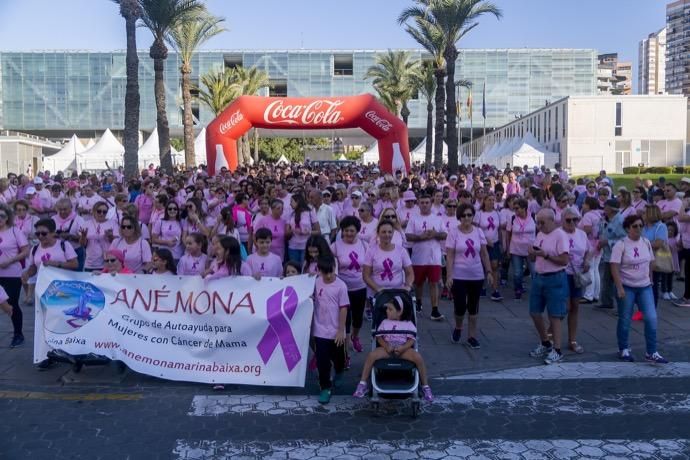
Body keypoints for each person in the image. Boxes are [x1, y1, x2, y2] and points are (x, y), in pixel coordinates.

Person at [352, 295, 433, 402]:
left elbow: (412, 339)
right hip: (387, 348)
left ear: (399, 312)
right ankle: (362, 383)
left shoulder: (408, 324)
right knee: (372, 355)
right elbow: (379, 337)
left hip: (403, 349)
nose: (387, 311)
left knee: (418, 358)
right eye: (387, 309)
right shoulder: (385, 322)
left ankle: (425, 386)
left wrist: (403, 348)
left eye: (390, 309)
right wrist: (386, 346)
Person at [610, 215, 668, 364]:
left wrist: (650, 279)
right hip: (627, 286)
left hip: (644, 287)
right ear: (628, 228)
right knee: (625, 319)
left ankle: (652, 351)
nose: (638, 229)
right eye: (635, 226)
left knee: (651, 318)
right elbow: (614, 267)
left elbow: (650, 262)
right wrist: (619, 287)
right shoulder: (621, 244)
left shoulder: (646, 242)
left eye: (641, 226)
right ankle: (623, 348)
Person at [445, 203, 493, 349]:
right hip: (459, 275)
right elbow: (450, 256)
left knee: (473, 307)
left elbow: (484, 253)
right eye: (464, 215)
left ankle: (472, 336)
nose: (467, 218)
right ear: (459, 217)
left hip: (476, 275)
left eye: (469, 215)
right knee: (459, 307)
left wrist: (489, 271)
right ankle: (458, 327)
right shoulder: (453, 232)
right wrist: (449, 276)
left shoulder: (478, 231)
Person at [527, 208, 570, 365]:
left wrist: (545, 255)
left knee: (555, 315)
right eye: (537, 222)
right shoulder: (540, 234)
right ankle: (545, 342)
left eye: (542, 222)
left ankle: (557, 349)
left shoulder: (560, 235)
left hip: (555, 277)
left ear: (552, 220)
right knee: (534, 312)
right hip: (539, 276)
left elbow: (564, 260)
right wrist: (532, 253)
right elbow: (535, 257)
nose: (539, 225)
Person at [312, 255, 349, 404]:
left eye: (330, 272)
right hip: (320, 330)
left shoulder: (341, 286)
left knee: (339, 358)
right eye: (324, 272)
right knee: (322, 361)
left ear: (334, 269)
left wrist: (341, 330)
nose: (328, 276)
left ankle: (339, 371)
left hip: (336, 331)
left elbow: (343, 309)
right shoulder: (316, 283)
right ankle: (325, 387)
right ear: (319, 270)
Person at [331, 216, 368, 353]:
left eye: (352, 231)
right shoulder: (335, 246)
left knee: (358, 318)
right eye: (346, 231)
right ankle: (345, 352)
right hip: (343, 289)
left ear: (357, 231)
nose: (349, 234)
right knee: (345, 319)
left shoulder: (364, 245)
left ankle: (355, 336)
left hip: (360, 287)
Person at [405, 194, 446, 319]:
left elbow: (445, 234)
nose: (424, 205)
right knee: (418, 283)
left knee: (434, 283)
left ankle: (435, 309)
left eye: (427, 202)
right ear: (418, 204)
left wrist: (435, 234)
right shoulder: (414, 219)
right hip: (419, 256)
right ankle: (418, 302)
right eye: (422, 202)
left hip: (434, 257)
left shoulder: (437, 219)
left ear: (431, 203)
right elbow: (408, 236)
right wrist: (420, 237)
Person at [0, 203, 29, 347]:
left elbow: (25, 251)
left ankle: (18, 334)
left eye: (2, 216)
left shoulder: (14, 231)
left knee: (12, 303)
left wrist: (10, 260)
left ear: (7, 217)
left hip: (12, 273)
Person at [561, 208, 589, 354]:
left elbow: (587, 251)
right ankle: (550, 334)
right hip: (562, 272)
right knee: (564, 306)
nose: (572, 223)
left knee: (575, 306)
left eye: (575, 220)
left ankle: (572, 339)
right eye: (568, 220)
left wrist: (586, 262)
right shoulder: (558, 234)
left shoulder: (582, 234)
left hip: (576, 274)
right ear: (562, 221)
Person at [363, 220, 414, 294]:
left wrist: (408, 285)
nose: (387, 234)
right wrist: (378, 289)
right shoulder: (371, 251)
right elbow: (366, 275)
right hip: (377, 294)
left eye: (390, 232)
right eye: (383, 232)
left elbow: (409, 272)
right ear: (378, 233)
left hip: (398, 292)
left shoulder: (401, 251)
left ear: (393, 233)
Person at [596, 199, 626, 309]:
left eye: (606, 206)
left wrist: (607, 242)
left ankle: (622, 306)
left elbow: (624, 239)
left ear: (612, 209)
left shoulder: (620, 221)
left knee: (616, 281)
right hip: (608, 255)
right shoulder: (607, 219)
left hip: (616, 256)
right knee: (607, 280)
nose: (604, 208)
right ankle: (607, 302)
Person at [474, 194, 502, 301]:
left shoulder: (497, 213)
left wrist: (501, 243)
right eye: (489, 200)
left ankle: (495, 290)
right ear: (484, 201)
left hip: (494, 242)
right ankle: (482, 286)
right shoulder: (479, 214)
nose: (491, 202)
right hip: (483, 243)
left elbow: (498, 229)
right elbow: (475, 229)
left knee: (494, 265)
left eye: (493, 200)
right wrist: (485, 238)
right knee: (482, 265)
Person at [506, 198, 536, 300]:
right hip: (516, 249)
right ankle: (518, 289)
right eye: (514, 208)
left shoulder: (533, 216)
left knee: (534, 271)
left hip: (530, 250)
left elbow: (539, 232)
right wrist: (507, 248)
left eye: (517, 208)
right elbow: (508, 234)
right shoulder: (513, 218)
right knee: (517, 272)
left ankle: (538, 291)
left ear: (524, 208)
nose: (515, 210)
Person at [642, 204, 669, 307]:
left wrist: (643, 243)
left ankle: (651, 308)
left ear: (651, 214)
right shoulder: (643, 226)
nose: (642, 214)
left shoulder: (660, 226)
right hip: (642, 259)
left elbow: (658, 243)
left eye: (644, 212)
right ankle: (644, 307)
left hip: (654, 260)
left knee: (652, 284)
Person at [579, 198, 602, 304]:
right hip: (598, 243)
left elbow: (587, 229)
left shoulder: (588, 215)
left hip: (590, 244)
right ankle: (596, 294)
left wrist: (578, 231)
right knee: (595, 269)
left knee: (589, 268)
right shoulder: (599, 214)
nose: (583, 205)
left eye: (584, 203)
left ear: (588, 205)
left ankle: (589, 295)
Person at [286, 194, 312, 266]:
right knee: (294, 267)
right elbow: (287, 232)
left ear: (297, 201)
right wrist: (292, 230)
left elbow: (318, 231)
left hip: (306, 246)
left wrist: (307, 232)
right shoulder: (290, 214)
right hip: (293, 246)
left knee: (304, 268)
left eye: (292, 201)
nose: (290, 204)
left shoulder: (310, 212)